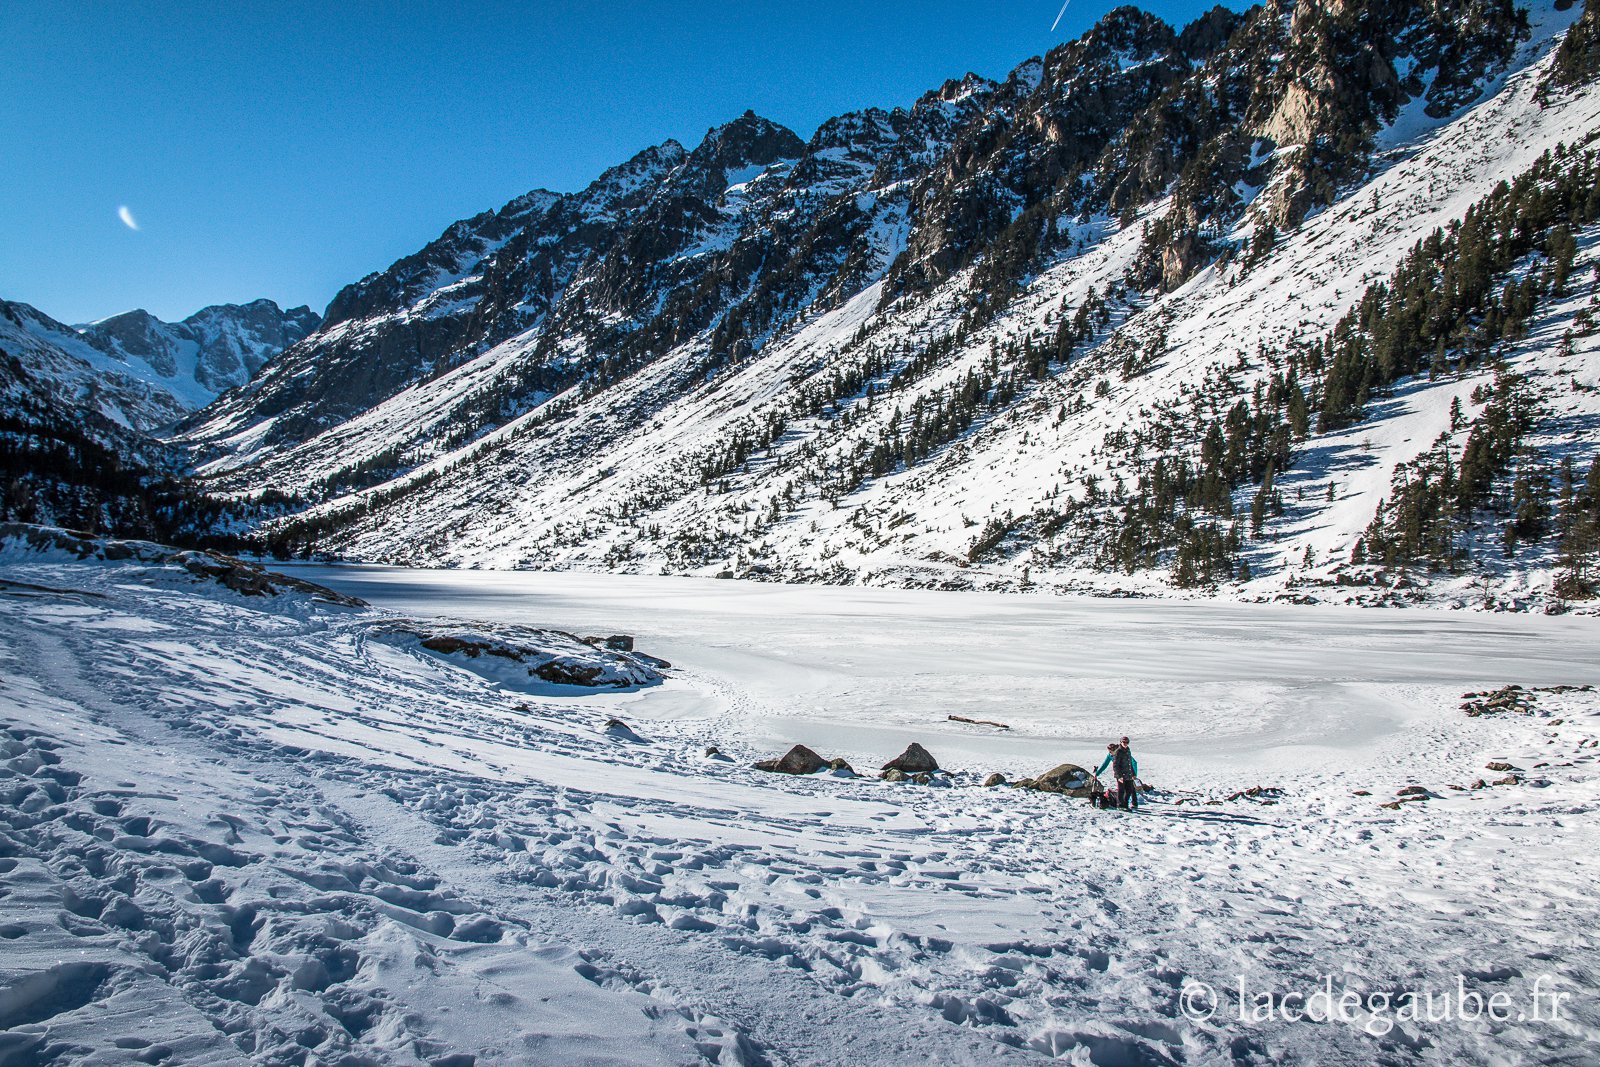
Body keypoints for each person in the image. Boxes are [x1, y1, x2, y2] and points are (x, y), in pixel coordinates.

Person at [1093, 739, 1140, 811]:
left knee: (1131, 788)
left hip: (1129, 773)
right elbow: (1104, 765)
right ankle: (1122, 805)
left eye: (1111, 751)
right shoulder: (1110, 755)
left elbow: (1134, 763)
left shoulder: (1122, 753)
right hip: (1121, 774)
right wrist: (1097, 773)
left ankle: (1134, 803)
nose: (1110, 753)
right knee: (1123, 789)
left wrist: (1134, 774)